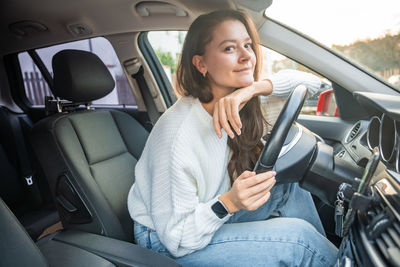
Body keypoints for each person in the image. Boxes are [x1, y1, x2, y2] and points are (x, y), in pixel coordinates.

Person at [127, 9, 338, 266]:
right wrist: (230, 201)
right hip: (164, 239)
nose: (246, 56)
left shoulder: (248, 102)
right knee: (299, 242)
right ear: (201, 64)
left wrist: (252, 89)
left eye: (247, 45)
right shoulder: (178, 135)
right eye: (229, 48)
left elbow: (312, 83)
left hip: (208, 214)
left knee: (287, 185)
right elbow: (177, 237)